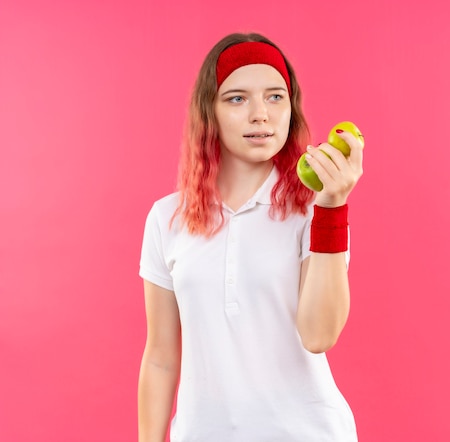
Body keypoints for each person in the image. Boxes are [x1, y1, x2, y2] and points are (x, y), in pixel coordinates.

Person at [138, 32, 364, 441]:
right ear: (211, 112)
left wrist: (332, 207)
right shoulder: (166, 218)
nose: (261, 114)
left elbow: (319, 335)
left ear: (291, 109)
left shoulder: (314, 210)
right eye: (238, 98)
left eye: (275, 97)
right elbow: (160, 357)